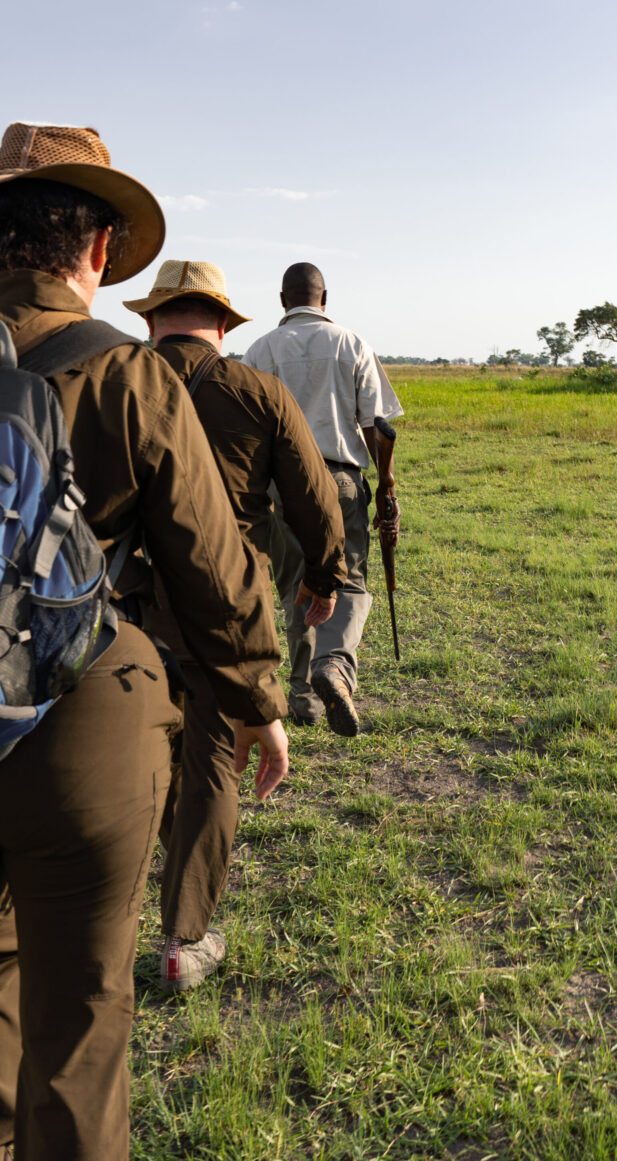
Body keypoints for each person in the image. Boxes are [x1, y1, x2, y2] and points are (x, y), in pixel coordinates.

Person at [0, 123, 289, 1161]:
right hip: (82, 714)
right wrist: (257, 701)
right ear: (101, 248)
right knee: (78, 1023)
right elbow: (214, 568)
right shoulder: (130, 377)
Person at [123, 259, 346, 989]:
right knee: (216, 754)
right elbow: (315, 499)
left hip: (122, 606)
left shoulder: (113, 379)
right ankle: (184, 938)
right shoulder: (257, 390)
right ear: (223, 325)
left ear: (152, 319)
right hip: (224, 602)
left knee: (138, 751)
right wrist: (322, 578)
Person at [243, 262, 403, 736]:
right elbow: (378, 426)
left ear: (282, 300)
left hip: (282, 484)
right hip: (340, 478)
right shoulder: (351, 344)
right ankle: (334, 665)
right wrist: (388, 485)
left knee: (298, 585)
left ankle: (304, 698)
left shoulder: (259, 349)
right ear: (324, 298)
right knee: (348, 580)